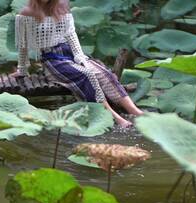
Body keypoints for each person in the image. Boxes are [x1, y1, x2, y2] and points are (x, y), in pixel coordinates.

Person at [9, 0, 144, 127]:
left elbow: (71, 35)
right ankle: (114, 117)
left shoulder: (61, 6)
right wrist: (22, 68)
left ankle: (136, 112)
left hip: (68, 52)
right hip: (52, 59)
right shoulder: (26, 13)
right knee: (87, 75)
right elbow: (23, 45)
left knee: (103, 73)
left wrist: (80, 56)